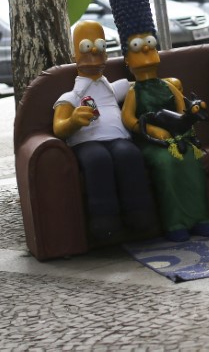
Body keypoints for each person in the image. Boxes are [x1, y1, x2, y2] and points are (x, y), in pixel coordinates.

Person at [108, 0, 209, 243]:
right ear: (127, 59)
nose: (146, 50)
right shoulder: (134, 91)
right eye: (137, 47)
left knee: (192, 160)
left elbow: (183, 109)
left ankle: (200, 218)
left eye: (150, 44)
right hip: (153, 144)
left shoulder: (170, 84)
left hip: (180, 138)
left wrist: (192, 112)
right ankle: (176, 222)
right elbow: (129, 119)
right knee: (166, 165)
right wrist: (153, 132)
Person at [52, 20, 157, 239]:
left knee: (128, 154)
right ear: (74, 57)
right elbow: (59, 128)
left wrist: (169, 84)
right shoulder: (70, 98)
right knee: (97, 159)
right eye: (86, 48)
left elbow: (145, 85)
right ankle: (104, 220)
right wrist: (73, 121)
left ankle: (140, 214)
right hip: (86, 142)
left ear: (107, 54)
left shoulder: (113, 89)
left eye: (100, 48)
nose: (94, 53)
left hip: (119, 139)